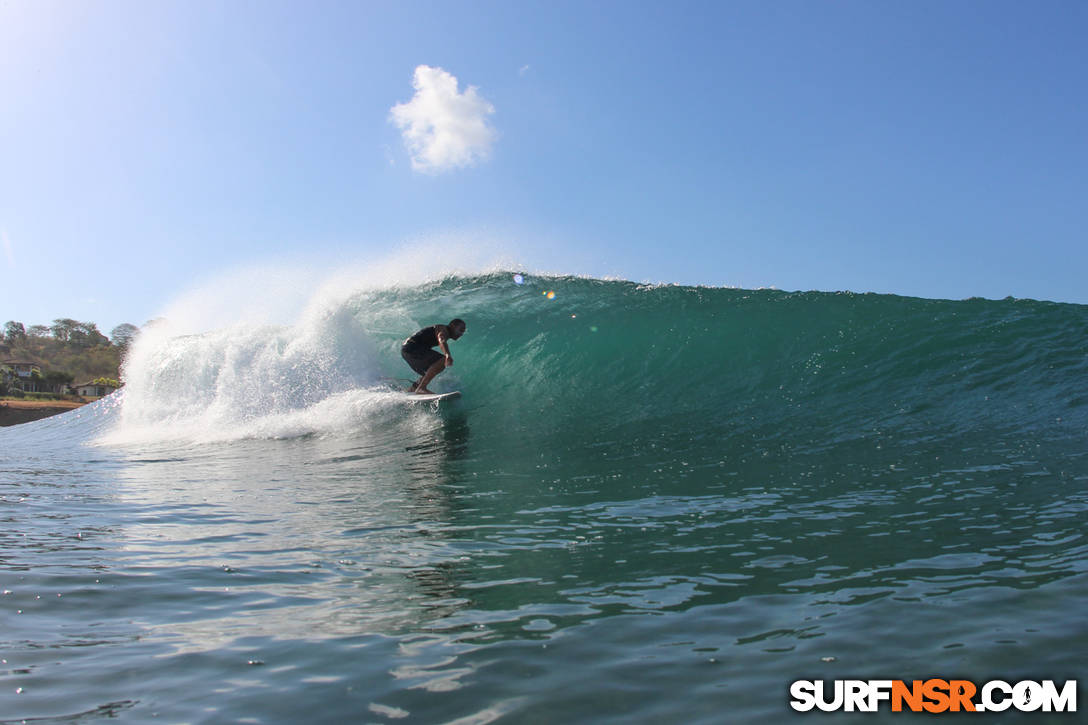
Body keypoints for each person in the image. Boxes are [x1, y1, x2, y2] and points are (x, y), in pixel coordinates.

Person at [401, 318, 466, 394]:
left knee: (429, 371)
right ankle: (421, 388)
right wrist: (447, 355)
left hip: (407, 350)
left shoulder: (443, 330)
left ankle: (412, 389)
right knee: (442, 361)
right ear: (452, 325)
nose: (461, 334)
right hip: (411, 347)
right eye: (460, 330)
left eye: (463, 332)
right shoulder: (443, 329)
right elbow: (442, 340)